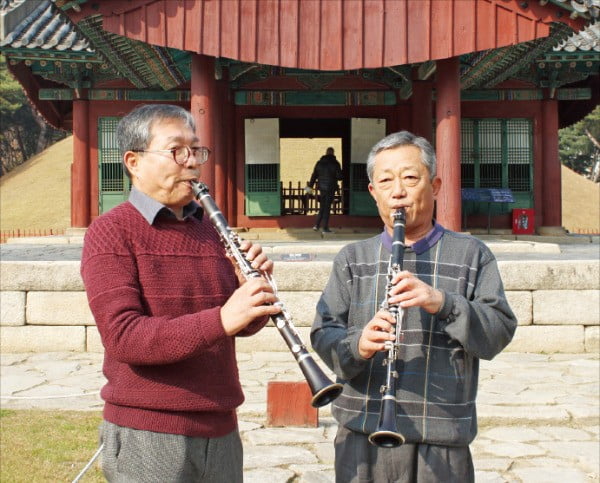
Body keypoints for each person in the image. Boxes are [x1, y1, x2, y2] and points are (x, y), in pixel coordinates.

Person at [80, 104, 281, 482]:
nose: (192, 162)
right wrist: (222, 318)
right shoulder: (111, 232)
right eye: (177, 151)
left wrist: (252, 293)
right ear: (133, 161)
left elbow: (238, 327)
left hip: (220, 427)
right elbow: (125, 338)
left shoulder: (212, 229)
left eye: (196, 151)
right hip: (149, 431)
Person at [310, 131, 517, 482]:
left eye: (410, 178)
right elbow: (323, 333)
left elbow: (497, 333)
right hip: (363, 431)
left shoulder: (472, 255)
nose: (398, 191)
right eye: (386, 181)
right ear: (374, 193)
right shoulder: (352, 259)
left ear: (434, 185)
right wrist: (357, 345)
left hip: (442, 436)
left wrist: (444, 303)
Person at [307, 147, 343, 233]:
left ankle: (316, 225)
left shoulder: (319, 163)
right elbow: (340, 177)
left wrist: (309, 189)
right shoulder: (336, 163)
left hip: (321, 188)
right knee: (327, 207)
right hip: (331, 188)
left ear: (326, 153)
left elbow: (313, 176)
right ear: (333, 153)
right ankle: (325, 228)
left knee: (322, 207)